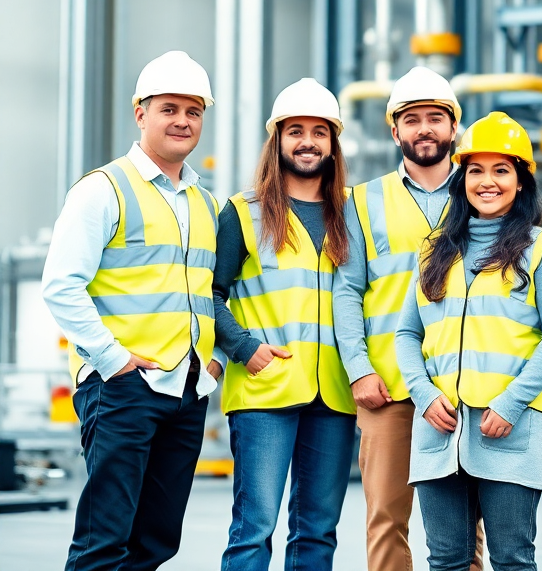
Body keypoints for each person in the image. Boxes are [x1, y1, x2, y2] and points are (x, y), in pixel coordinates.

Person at [42, 51, 222, 571]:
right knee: (104, 542)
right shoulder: (103, 190)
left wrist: (211, 364)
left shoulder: (206, 205)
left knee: (156, 543)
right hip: (123, 388)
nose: (182, 121)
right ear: (140, 113)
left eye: (193, 111)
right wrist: (111, 358)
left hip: (186, 392)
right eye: (169, 109)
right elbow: (61, 285)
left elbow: (210, 294)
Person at [395, 111, 542, 571]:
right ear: (462, 178)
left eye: (501, 170)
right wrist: (424, 393)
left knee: (512, 559)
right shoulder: (434, 249)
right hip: (441, 429)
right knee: (446, 560)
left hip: (509, 430)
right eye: (475, 170)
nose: (487, 181)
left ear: (521, 181)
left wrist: (511, 404)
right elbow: (407, 332)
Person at [334, 66, 483, 571]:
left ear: (453, 129)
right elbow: (347, 290)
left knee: (467, 529)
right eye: (412, 119)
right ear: (393, 130)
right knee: (385, 519)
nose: (425, 129)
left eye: (436, 119)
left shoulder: (481, 195)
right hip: (389, 388)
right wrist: (358, 368)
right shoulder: (362, 200)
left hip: (461, 384)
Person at [214, 78, 356, 571]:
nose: (308, 141)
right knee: (254, 529)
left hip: (335, 394)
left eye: (320, 132)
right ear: (277, 140)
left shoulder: (351, 216)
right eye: (296, 131)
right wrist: (242, 346)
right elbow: (208, 295)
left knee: (318, 533)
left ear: (333, 143)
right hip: (265, 390)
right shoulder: (243, 213)